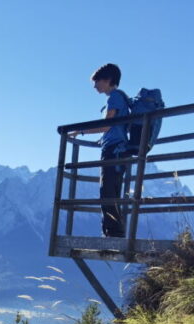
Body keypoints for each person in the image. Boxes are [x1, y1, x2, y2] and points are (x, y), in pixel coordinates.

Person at [69, 63, 130, 238]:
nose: (95, 86)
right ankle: (114, 231)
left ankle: (112, 233)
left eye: (97, 82)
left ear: (108, 80)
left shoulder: (114, 98)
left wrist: (79, 131)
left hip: (113, 150)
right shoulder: (121, 98)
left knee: (107, 191)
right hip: (119, 149)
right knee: (113, 190)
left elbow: (106, 126)